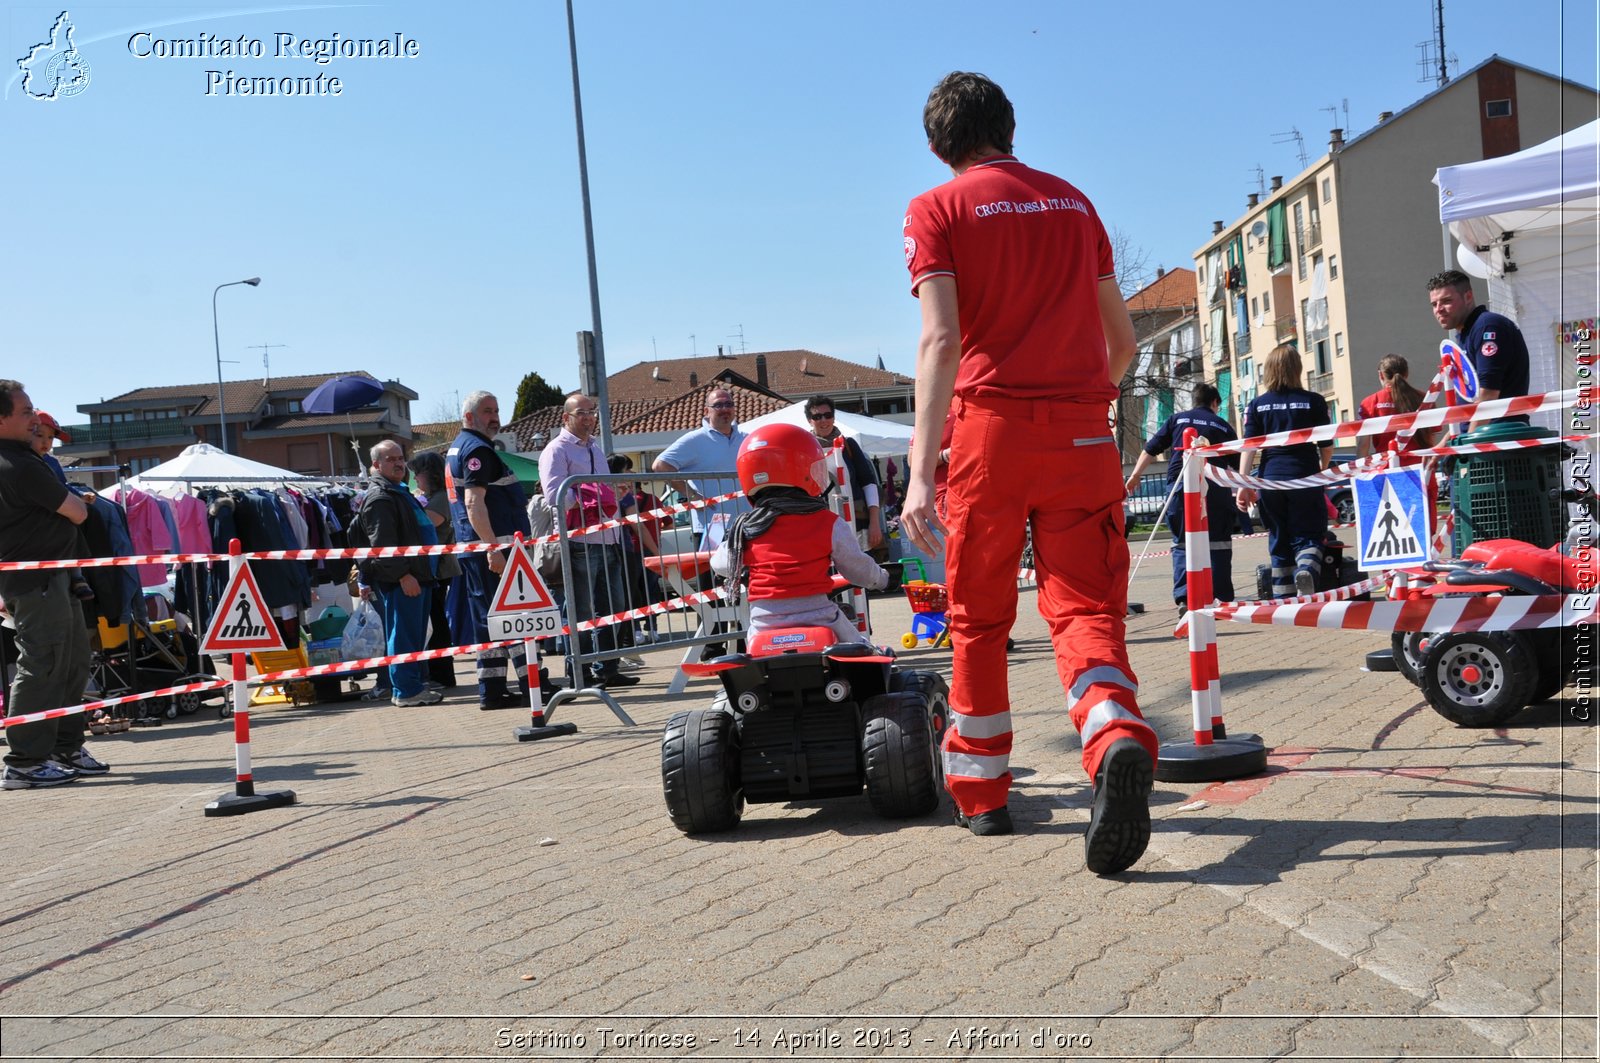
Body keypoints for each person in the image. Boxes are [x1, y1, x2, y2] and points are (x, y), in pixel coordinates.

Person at [897, 72, 1158, 874]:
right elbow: (1123, 343)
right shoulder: (1076, 205)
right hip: (1081, 433)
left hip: (990, 436)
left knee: (977, 619)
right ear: (1010, 128)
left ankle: (983, 795)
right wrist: (1087, 408)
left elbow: (941, 340)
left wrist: (917, 469)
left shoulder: (935, 209)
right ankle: (1112, 728)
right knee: (1084, 607)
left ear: (939, 145)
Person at [0, 380, 105, 789]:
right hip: (35, 581)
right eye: (25, 412)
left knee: (73, 661)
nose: (33, 419)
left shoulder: (25, 460)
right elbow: (78, 512)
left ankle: (64, 746)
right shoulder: (19, 465)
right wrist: (74, 506)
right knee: (43, 663)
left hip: (54, 577)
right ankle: (25, 762)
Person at [712, 423, 888, 644]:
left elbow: (720, 564)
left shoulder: (745, 527)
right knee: (866, 654)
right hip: (820, 618)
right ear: (808, 468)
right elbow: (858, 570)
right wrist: (881, 578)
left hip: (763, 625)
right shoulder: (827, 522)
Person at [538, 394, 639, 690]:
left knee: (615, 605)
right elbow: (555, 495)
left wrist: (609, 496)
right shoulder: (556, 450)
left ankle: (607, 668)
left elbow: (603, 489)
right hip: (580, 540)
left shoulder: (595, 448)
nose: (588, 417)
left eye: (591, 412)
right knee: (581, 611)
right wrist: (590, 497)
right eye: (581, 412)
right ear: (565, 418)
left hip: (608, 537)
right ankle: (577, 673)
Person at [445, 391, 533, 710]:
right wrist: (493, 547)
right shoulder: (476, 449)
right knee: (514, 616)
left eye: (496, 410)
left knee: (489, 620)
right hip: (492, 549)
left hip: (478, 548)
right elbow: (474, 502)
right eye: (486, 411)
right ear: (469, 417)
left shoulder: (460, 447)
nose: (494, 417)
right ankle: (531, 683)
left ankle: (493, 688)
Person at [1124, 383, 1240, 614]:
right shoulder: (1222, 424)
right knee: (1217, 543)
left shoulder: (1177, 419)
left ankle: (1186, 598)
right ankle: (1220, 598)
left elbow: (1151, 448)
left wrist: (1135, 476)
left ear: (1194, 401)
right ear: (1215, 403)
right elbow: (1236, 464)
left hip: (1179, 486)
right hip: (1214, 487)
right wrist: (1246, 488)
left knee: (1181, 542)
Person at [1235, 345, 1333, 597]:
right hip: (1304, 475)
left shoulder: (1257, 405)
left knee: (1278, 536)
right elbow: (1326, 444)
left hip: (1270, 479)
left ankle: (1283, 597)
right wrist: (1321, 472)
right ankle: (1307, 570)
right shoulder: (1314, 401)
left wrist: (1243, 484)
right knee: (1309, 532)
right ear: (1297, 368)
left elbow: (1249, 447)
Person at [354, 441, 441, 707]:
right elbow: (383, 545)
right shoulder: (381, 497)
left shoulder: (398, 491)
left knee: (413, 634)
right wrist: (403, 575)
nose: (398, 463)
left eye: (401, 458)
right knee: (403, 634)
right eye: (390, 459)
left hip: (419, 574)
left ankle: (411, 687)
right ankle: (406, 691)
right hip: (404, 578)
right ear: (376, 465)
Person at [651, 386, 751, 548]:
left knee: (748, 573)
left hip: (746, 523)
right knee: (712, 573)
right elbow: (660, 466)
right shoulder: (695, 440)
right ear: (706, 411)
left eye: (729, 404)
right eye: (718, 405)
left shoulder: (746, 439)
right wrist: (692, 495)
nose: (725, 409)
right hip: (713, 524)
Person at [1427, 269, 1530, 422]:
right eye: (1434, 304)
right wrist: (1447, 443)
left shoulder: (1487, 327)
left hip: (1496, 437)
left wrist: (1468, 443)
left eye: (1446, 301)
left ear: (1468, 297)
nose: (1438, 309)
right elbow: (1470, 405)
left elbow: (1488, 396)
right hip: (1478, 436)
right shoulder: (1466, 333)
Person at [804, 395, 884, 558]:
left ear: (833, 417)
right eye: (817, 416)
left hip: (857, 523)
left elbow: (868, 483)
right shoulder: (805, 449)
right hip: (821, 525)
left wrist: (875, 523)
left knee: (863, 572)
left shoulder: (848, 445)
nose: (823, 420)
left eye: (828, 415)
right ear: (809, 420)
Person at [407, 450, 460, 691]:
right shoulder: (432, 496)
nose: (415, 479)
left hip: (439, 567)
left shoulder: (440, 499)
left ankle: (443, 674)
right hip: (434, 566)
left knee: (437, 622)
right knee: (435, 620)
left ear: (429, 474)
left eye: (417, 474)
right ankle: (439, 673)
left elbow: (425, 524)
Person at [1356, 354, 1435, 459]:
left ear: (1381, 375)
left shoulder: (1369, 403)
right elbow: (1430, 437)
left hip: (1387, 467)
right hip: (1419, 465)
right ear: (1407, 374)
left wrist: (1360, 473)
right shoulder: (1424, 399)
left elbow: (1363, 445)